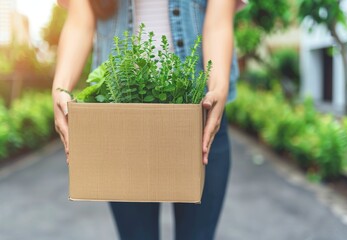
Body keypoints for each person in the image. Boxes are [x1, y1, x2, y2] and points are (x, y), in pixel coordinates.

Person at [52, 0, 246, 239]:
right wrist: (60, 87)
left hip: (200, 117)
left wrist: (218, 88)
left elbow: (218, 23)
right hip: (121, 120)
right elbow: (80, 21)